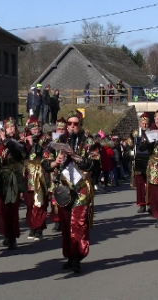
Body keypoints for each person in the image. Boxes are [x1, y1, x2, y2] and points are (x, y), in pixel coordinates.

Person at [42, 110, 94, 273]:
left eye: (75, 124)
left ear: (80, 125)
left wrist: (76, 156)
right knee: (65, 224)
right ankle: (70, 256)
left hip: (81, 188)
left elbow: (94, 164)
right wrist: (54, 163)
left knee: (78, 223)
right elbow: (44, 162)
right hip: (63, 188)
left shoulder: (88, 141)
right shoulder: (57, 141)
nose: (72, 127)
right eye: (69, 124)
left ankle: (77, 256)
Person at [0, 117, 26, 249]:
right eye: (8, 127)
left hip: (13, 177)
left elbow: (19, 155)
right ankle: (6, 235)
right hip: (1, 178)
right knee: (1, 209)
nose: (11, 129)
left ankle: (12, 236)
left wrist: (6, 141)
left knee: (12, 208)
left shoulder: (18, 142)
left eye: (13, 126)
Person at [22, 116, 51, 241]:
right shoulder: (25, 138)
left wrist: (32, 144)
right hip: (28, 173)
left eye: (37, 127)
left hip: (40, 172)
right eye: (33, 127)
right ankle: (32, 226)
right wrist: (24, 144)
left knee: (40, 201)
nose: (36, 129)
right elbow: (22, 155)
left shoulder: (44, 138)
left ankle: (38, 227)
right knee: (29, 203)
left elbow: (39, 153)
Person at [140, 110, 158, 227]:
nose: (157, 120)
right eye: (156, 118)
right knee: (155, 193)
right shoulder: (150, 132)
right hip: (154, 166)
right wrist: (147, 140)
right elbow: (142, 148)